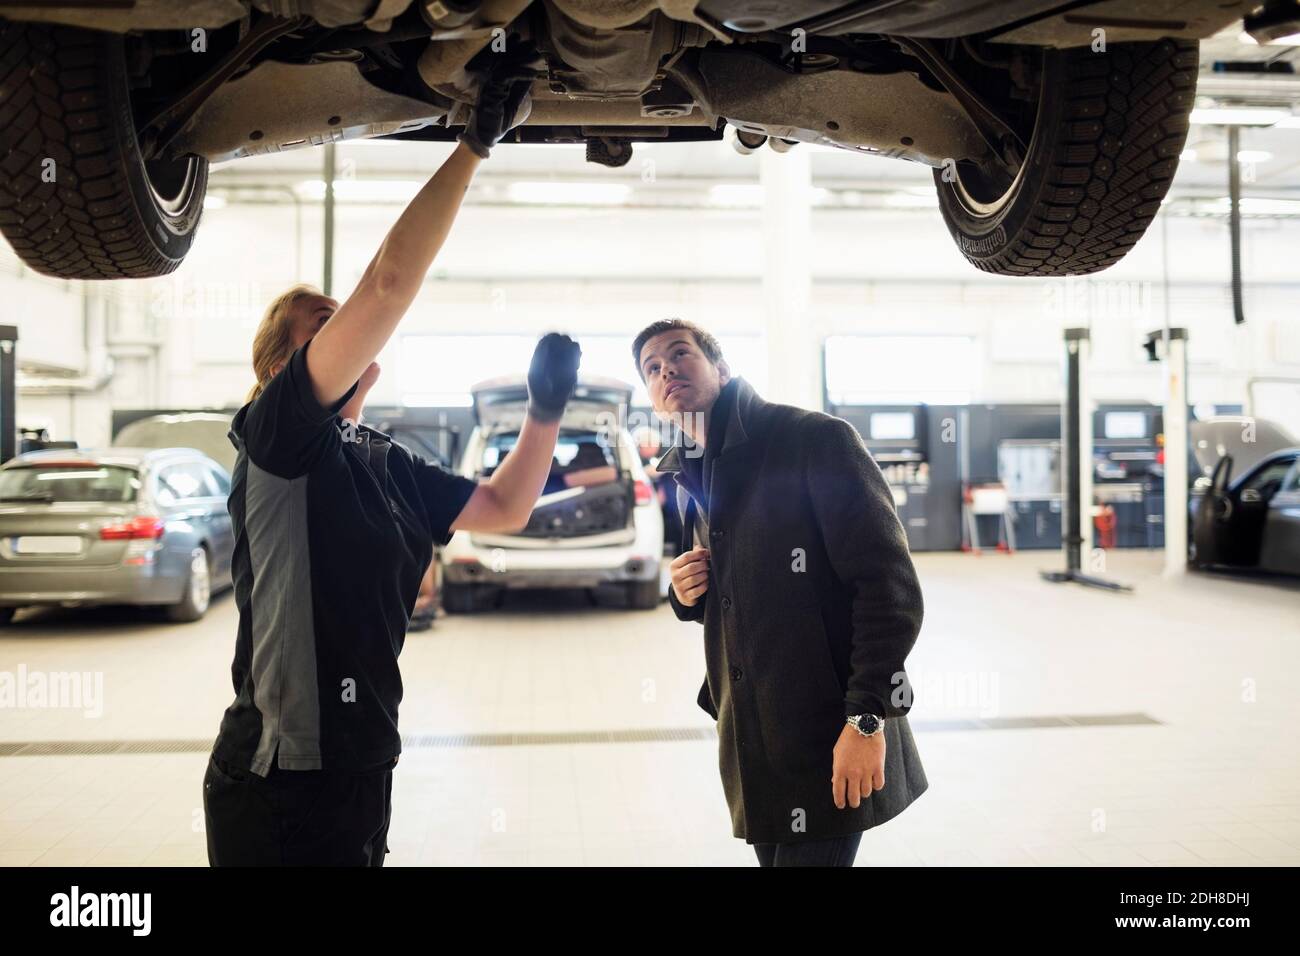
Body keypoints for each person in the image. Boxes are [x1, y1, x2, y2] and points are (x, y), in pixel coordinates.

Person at [203, 44, 581, 866]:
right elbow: (387, 286)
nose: (347, 327)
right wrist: (475, 143)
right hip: (280, 777)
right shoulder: (277, 436)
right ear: (280, 369)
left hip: (366, 756)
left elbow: (505, 508)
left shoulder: (382, 460)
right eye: (323, 324)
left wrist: (545, 412)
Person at [633, 319, 928, 867]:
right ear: (651, 396)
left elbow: (890, 588)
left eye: (680, 354)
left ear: (722, 368)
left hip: (831, 731)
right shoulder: (689, 473)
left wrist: (866, 720)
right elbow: (733, 592)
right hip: (754, 738)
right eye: (652, 368)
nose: (666, 370)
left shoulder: (812, 440)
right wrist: (685, 595)